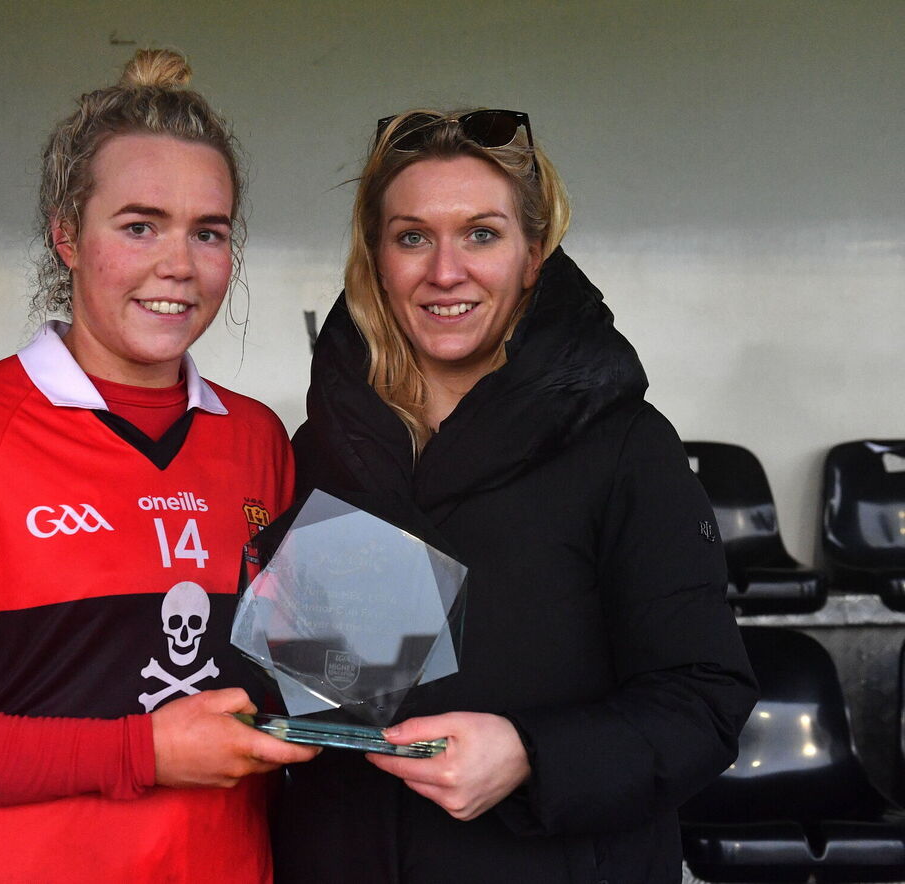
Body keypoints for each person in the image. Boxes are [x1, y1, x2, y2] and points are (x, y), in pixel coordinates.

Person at [0, 48, 316, 883]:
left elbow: (321, 689)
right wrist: (139, 751)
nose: (179, 266)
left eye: (209, 232)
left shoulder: (257, 438)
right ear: (66, 237)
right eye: (140, 225)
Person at [277, 109, 759, 882]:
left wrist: (530, 756)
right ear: (375, 258)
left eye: (481, 234)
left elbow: (704, 703)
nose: (445, 271)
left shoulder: (622, 447)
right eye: (411, 237)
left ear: (533, 255)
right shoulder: (331, 449)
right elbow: (328, 694)